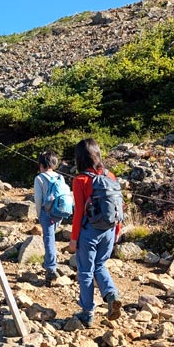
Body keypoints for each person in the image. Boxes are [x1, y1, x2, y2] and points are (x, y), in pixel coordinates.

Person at [68, 138, 122, 328]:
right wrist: (117, 231)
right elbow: (118, 207)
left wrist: (73, 239)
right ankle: (111, 294)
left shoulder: (80, 180)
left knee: (85, 272)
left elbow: (78, 214)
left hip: (88, 232)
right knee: (100, 265)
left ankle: (87, 312)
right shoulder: (111, 176)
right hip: (108, 231)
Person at [34, 150, 63, 286]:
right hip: (60, 212)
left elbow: (38, 199)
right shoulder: (60, 177)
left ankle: (51, 268)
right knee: (51, 237)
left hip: (47, 212)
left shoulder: (39, 178)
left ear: (41, 164)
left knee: (49, 239)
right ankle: (48, 263)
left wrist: (39, 215)